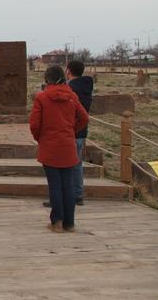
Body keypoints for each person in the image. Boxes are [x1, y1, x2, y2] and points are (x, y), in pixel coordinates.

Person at [29, 66, 89, 233]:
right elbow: (84, 118)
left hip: (49, 145)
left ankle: (57, 222)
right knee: (68, 185)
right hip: (68, 145)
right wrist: (72, 130)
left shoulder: (42, 97)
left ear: (47, 80)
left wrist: (40, 137)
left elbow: (34, 124)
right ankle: (69, 223)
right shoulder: (72, 96)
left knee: (54, 184)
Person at [55, 60, 93, 207]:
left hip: (68, 130)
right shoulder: (87, 87)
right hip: (81, 131)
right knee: (77, 164)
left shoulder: (69, 89)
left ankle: (63, 197)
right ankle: (77, 194)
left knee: (61, 165)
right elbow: (83, 115)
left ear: (68, 70)